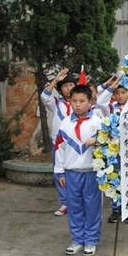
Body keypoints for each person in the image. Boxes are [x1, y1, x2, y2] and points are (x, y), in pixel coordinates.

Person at [54, 85, 101, 256]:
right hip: (71, 172)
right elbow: (59, 147)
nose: (78, 105)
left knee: (92, 207)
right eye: (74, 101)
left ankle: (91, 240)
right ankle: (77, 239)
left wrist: (97, 140)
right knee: (74, 207)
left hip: (91, 172)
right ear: (69, 102)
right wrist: (59, 171)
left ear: (90, 102)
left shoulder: (97, 122)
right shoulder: (65, 123)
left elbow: (108, 142)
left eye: (82, 101)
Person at [41, 68, 76, 216]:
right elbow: (44, 96)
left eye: (71, 85)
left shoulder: (81, 102)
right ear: (61, 89)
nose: (68, 88)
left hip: (77, 145)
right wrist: (55, 80)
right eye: (65, 86)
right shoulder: (56, 103)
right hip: (59, 144)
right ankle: (65, 203)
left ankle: (77, 202)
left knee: (76, 173)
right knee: (59, 173)